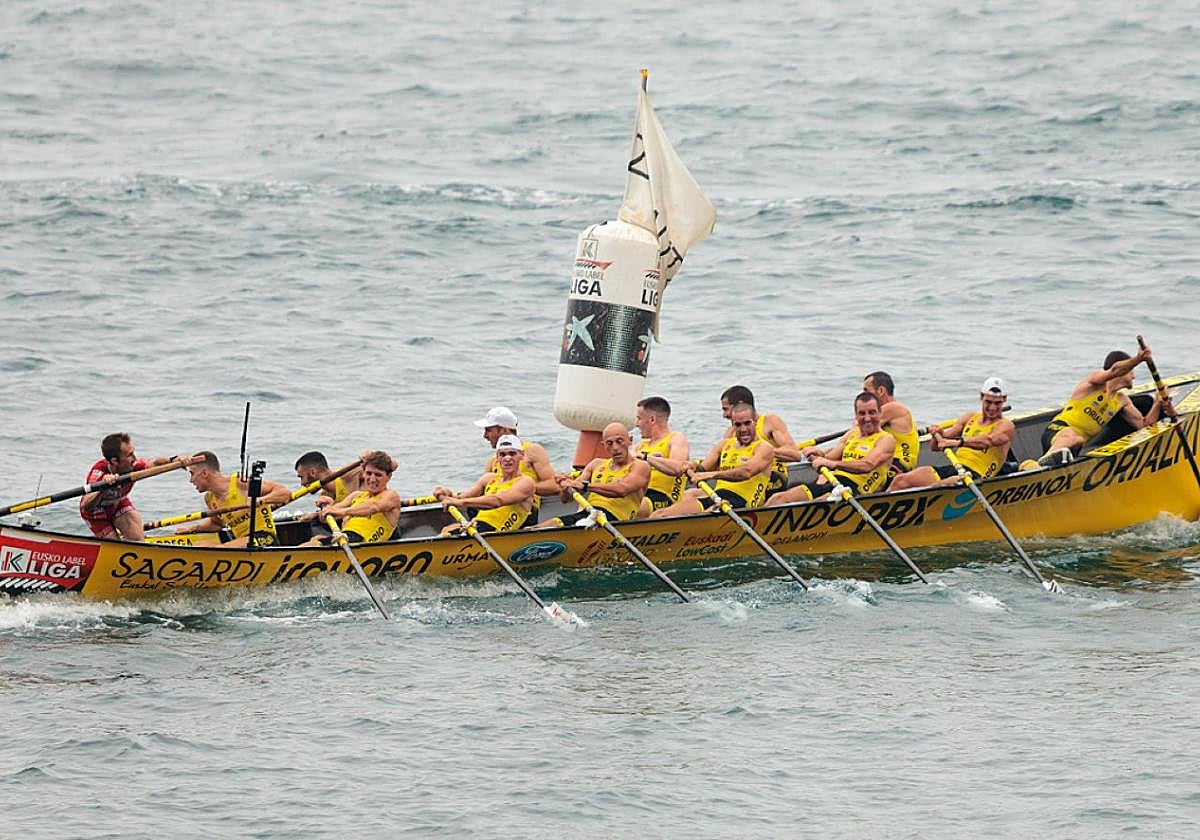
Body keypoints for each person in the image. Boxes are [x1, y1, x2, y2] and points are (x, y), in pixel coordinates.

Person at [433, 406, 558, 527]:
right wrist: (450, 496)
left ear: (503, 430)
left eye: (488, 430)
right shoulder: (493, 461)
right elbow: (477, 494)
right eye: (502, 455)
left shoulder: (532, 450)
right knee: (470, 511)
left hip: (522, 511)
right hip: (495, 509)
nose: (485, 436)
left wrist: (519, 490)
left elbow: (554, 486)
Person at [767, 391, 896, 504]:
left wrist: (832, 464)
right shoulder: (852, 434)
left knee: (817, 503)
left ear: (880, 413)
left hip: (854, 490)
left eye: (872, 413)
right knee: (778, 498)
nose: (867, 418)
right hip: (832, 481)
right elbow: (830, 457)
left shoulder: (886, 439)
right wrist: (817, 453)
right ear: (856, 416)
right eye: (862, 413)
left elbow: (868, 465)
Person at [1041, 346, 1166, 460]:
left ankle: (1034, 464)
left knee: (1077, 440)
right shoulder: (1095, 383)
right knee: (1071, 436)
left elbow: (1144, 426)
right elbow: (1115, 370)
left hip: (1075, 445)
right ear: (1125, 371)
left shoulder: (1122, 400)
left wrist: (1157, 403)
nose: (1134, 376)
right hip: (1058, 430)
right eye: (1132, 370)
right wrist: (1138, 359)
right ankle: (1046, 460)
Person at [889, 378, 1016, 490]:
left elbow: (988, 441)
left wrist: (958, 442)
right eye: (988, 402)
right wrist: (936, 434)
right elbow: (935, 447)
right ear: (981, 397)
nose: (992, 408)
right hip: (954, 468)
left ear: (1004, 400)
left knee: (936, 487)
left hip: (976, 477)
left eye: (997, 403)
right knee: (900, 481)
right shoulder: (970, 417)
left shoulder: (1006, 426)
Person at [651, 403, 775, 517]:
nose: (743, 429)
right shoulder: (724, 445)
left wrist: (711, 475)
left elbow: (746, 472)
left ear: (755, 422)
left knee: (703, 515)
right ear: (732, 425)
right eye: (738, 425)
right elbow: (702, 469)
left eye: (747, 423)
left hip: (741, 505)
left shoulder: (764, 448)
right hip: (717, 497)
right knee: (660, 515)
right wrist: (691, 466)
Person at [535, 423, 649, 528]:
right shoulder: (596, 464)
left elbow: (622, 490)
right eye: (609, 443)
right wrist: (566, 487)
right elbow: (566, 499)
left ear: (630, 440)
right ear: (603, 445)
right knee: (541, 527)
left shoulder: (640, 466)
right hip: (590, 515)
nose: (615, 448)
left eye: (620, 441)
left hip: (616, 521)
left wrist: (586, 486)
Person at [78, 433, 184, 540]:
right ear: (114, 461)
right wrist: (103, 488)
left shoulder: (134, 465)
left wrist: (174, 460)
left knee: (138, 539)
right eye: (129, 455)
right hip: (96, 514)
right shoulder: (98, 473)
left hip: (117, 503)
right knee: (114, 545)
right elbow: (86, 505)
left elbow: (155, 463)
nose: (135, 458)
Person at [176, 451, 292, 546]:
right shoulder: (210, 498)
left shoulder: (240, 482)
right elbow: (216, 524)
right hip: (242, 543)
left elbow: (285, 493)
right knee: (199, 545)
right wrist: (192, 528)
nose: (191, 480)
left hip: (265, 539)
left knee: (217, 548)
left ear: (205, 473)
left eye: (192, 474)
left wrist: (261, 500)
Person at [436, 435, 536, 535]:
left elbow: (497, 501)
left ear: (521, 455)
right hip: (477, 527)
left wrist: (462, 502)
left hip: (498, 533)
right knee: (446, 530)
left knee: (449, 534)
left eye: (512, 453)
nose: (507, 458)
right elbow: (460, 498)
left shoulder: (526, 482)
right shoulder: (488, 478)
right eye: (502, 454)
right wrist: (447, 494)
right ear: (497, 457)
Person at [306, 451, 402, 544]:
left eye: (378, 475)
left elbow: (373, 507)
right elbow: (327, 516)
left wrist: (342, 512)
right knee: (313, 542)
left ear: (388, 476)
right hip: (344, 538)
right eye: (369, 473)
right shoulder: (356, 495)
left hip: (360, 543)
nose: (372, 479)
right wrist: (326, 507)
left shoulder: (391, 496)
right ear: (363, 473)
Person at [719, 385, 796, 494]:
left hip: (773, 478)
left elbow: (794, 454)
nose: (724, 415)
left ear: (740, 405)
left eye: (726, 409)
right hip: (743, 479)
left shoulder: (770, 422)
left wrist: (762, 453)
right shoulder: (730, 433)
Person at [633, 396, 691, 516]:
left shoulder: (675, 438)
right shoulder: (640, 446)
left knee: (630, 507)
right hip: (641, 493)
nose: (636, 424)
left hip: (664, 498)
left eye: (639, 418)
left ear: (652, 419)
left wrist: (646, 458)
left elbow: (678, 468)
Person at [863, 371, 919, 476]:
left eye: (867, 391)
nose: (864, 396)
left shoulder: (893, 408)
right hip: (888, 461)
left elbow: (857, 429)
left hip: (898, 465)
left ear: (880, 390)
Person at [294, 451, 363, 505]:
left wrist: (369, 456)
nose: (302, 483)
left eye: (301, 477)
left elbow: (370, 465)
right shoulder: (325, 496)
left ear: (313, 472)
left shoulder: (348, 474)